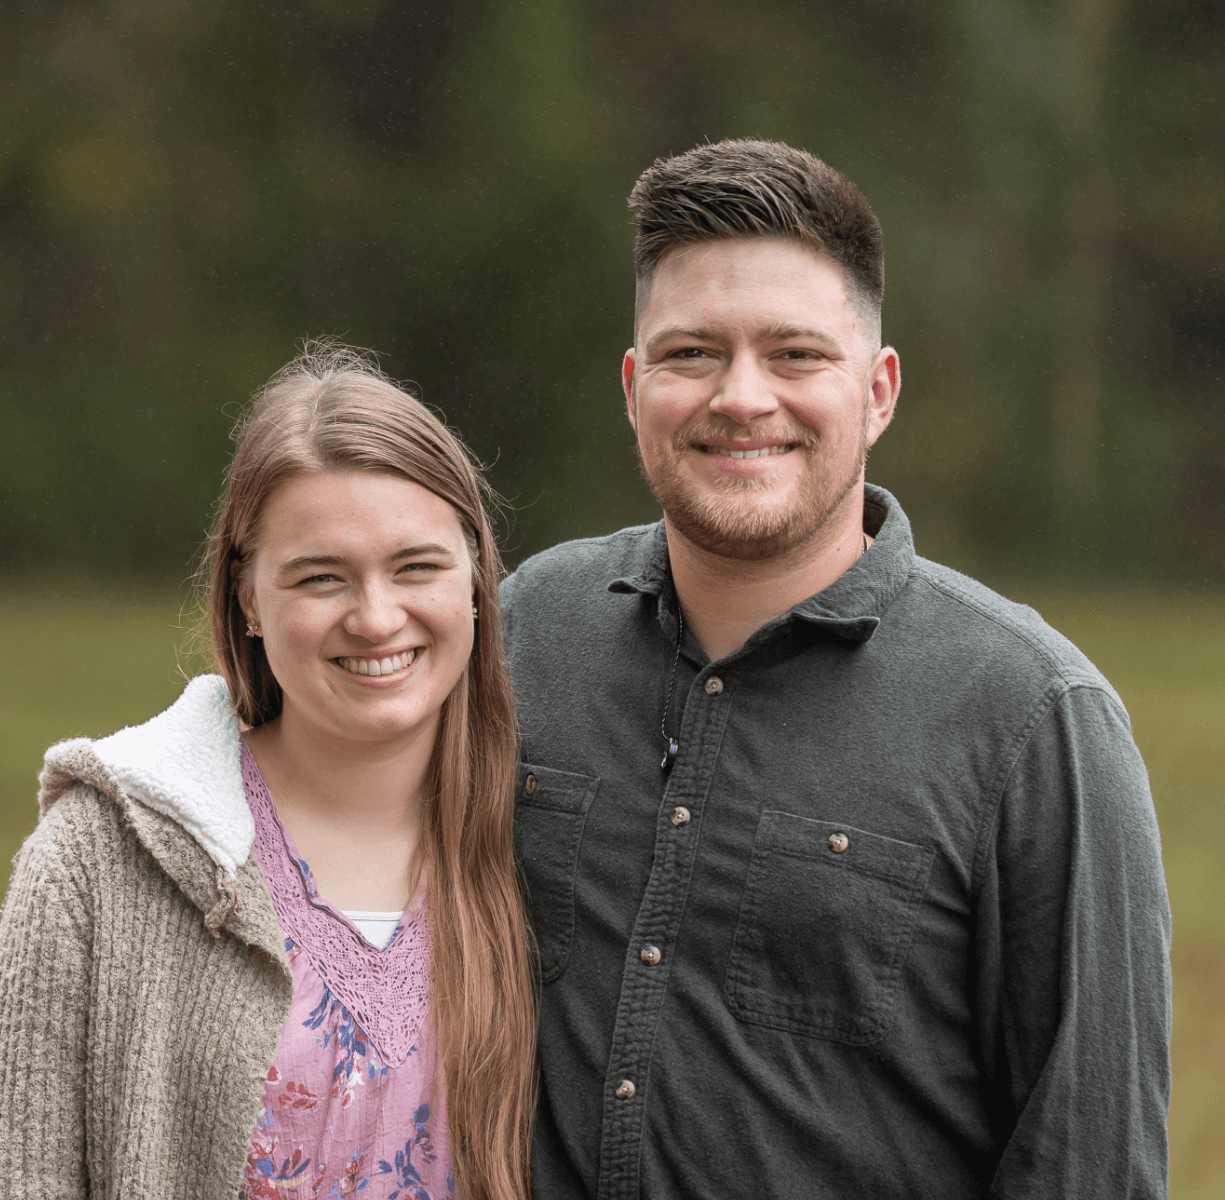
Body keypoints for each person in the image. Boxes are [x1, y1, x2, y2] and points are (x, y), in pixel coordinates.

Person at [500, 140, 1172, 1198]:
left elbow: (1086, 1162)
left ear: (877, 390)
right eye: (689, 354)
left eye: (794, 355)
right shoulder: (525, 631)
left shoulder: (1033, 720)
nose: (740, 397)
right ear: (633, 388)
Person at [0, 344, 535, 1200]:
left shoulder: (549, 846)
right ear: (248, 597)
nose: (377, 618)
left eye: (417, 566)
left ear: (477, 580)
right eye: (321, 577)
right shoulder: (96, 865)